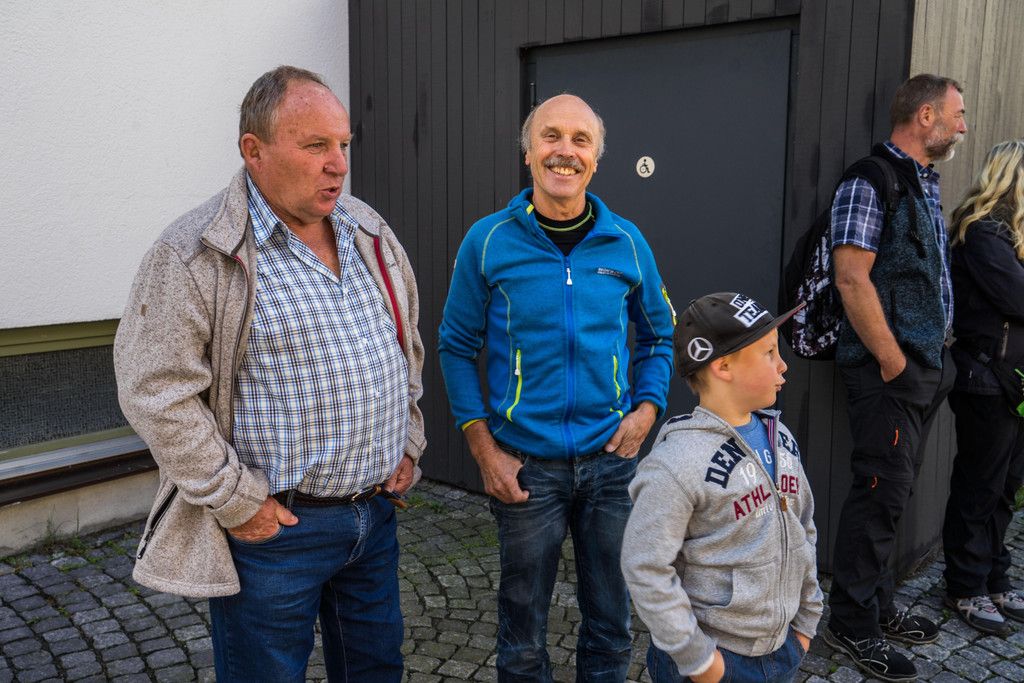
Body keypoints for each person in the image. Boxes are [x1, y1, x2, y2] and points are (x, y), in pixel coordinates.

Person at [113, 66, 425, 682]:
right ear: (253, 150)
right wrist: (236, 502)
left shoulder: (366, 228)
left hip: (374, 518)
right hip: (275, 533)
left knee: (376, 671)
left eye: (343, 145)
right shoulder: (194, 252)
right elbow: (156, 392)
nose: (338, 164)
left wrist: (408, 439)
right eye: (316, 146)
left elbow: (403, 340)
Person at [438, 94, 675, 681]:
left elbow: (658, 336)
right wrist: (484, 451)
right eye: (550, 136)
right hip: (525, 470)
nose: (564, 151)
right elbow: (455, 346)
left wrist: (647, 409)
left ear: (596, 158)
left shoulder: (627, 243)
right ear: (527, 152)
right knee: (522, 639)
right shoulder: (488, 241)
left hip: (611, 464)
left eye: (579, 139)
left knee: (612, 626)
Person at [824, 74, 966, 681]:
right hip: (890, 372)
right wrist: (893, 362)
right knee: (878, 493)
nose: (963, 126)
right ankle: (851, 623)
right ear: (925, 116)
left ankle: (878, 607)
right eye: (957, 114)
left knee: (895, 494)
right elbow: (850, 278)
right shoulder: (870, 179)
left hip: (925, 367)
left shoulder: (923, 182)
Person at [622, 292, 822, 683]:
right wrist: (700, 661)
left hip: (783, 648)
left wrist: (806, 624)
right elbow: (644, 565)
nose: (783, 365)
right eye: (769, 353)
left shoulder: (781, 437)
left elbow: (804, 527)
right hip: (715, 661)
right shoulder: (676, 463)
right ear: (723, 366)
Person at [941, 140, 1024, 635]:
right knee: (979, 487)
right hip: (985, 379)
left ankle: (994, 576)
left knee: (1006, 488)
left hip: (1013, 383)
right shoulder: (983, 231)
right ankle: (965, 585)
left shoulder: (1011, 237)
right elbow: (1019, 299)